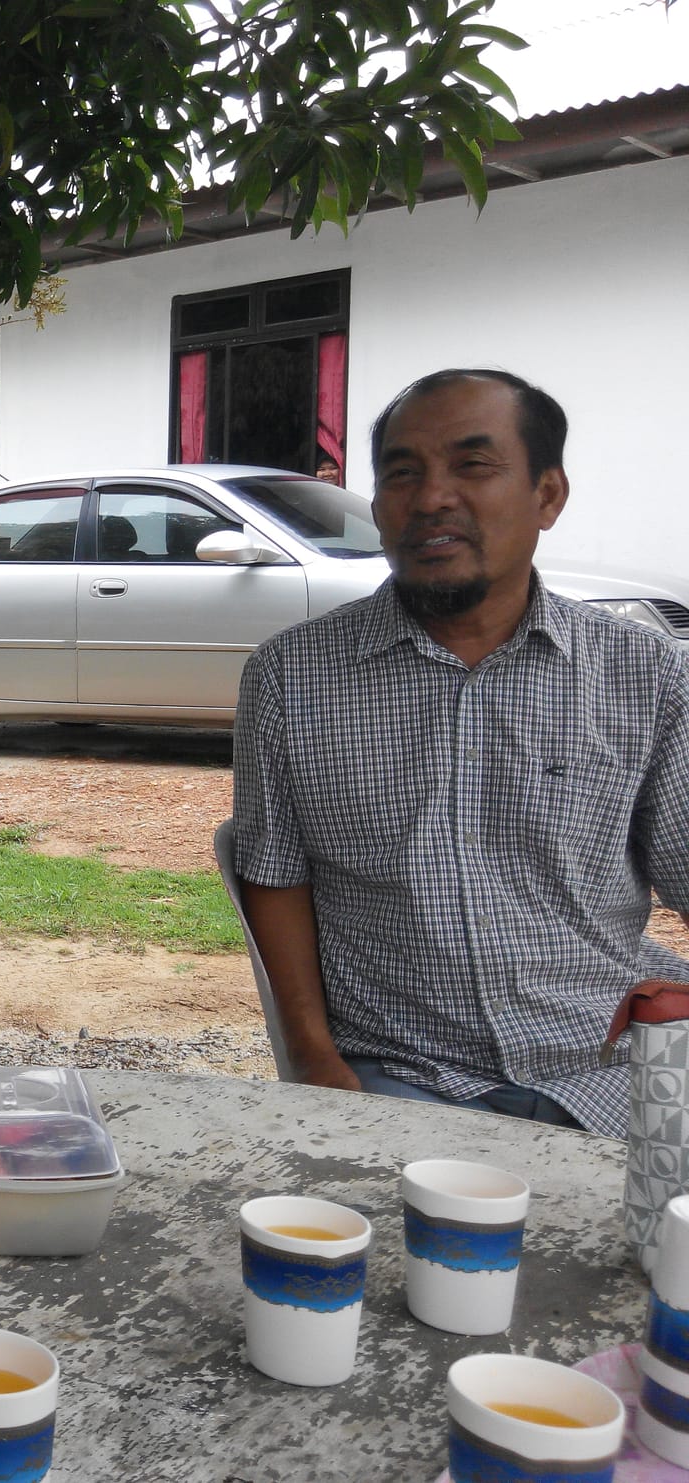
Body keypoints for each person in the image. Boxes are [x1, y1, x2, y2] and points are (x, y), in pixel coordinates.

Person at [232, 369, 689, 1136]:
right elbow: (275, 875)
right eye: (402, 473)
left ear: (548, 495)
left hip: (616, 1062)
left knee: (661, 1215)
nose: (432, 497)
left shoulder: (646, 675)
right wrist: (315, 1059)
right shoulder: (291, 677)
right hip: (405, 1072)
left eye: (472, 465)